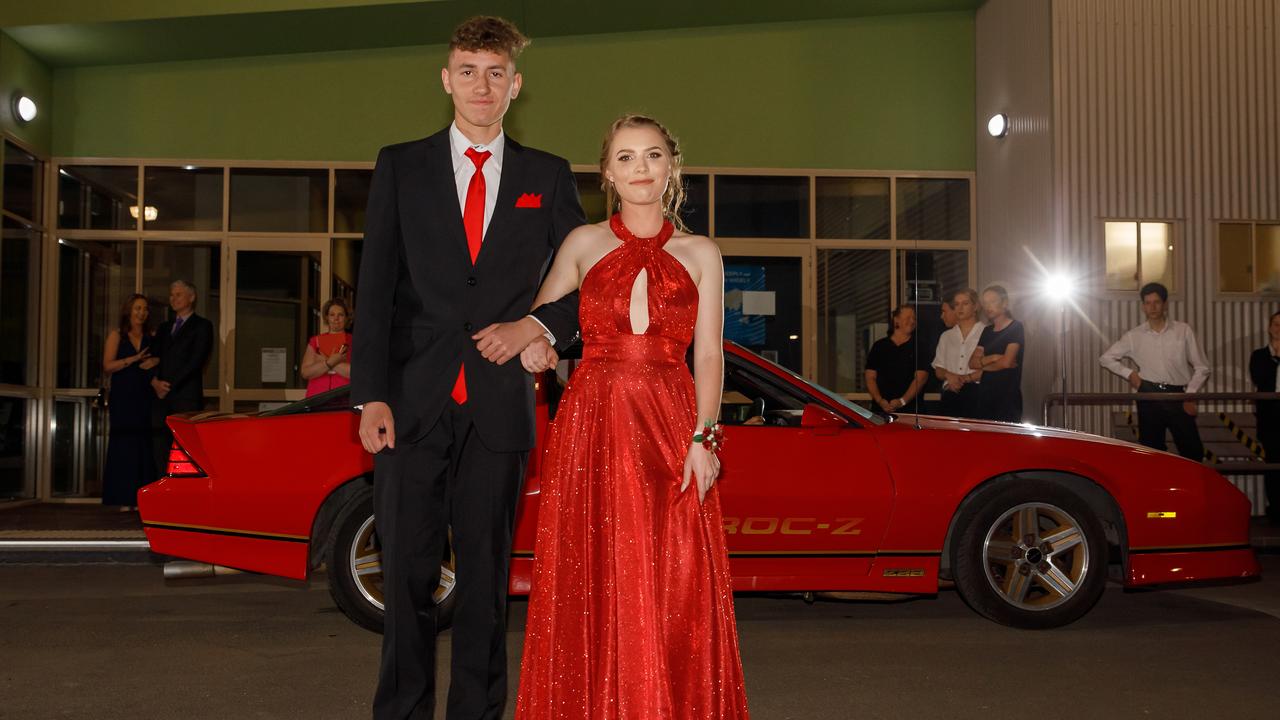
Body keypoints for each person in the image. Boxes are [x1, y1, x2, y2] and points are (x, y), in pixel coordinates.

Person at [351, 16, 587, 720]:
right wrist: (369, 396)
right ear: (445, 79)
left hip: (499, 412)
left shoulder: (547, 176)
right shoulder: (401, 164)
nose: (479, 86)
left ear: (514, 86)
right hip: (410, 406)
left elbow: (586, 286)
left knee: (484, 585)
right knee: (407, 579)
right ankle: (401, 711)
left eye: (494, 74)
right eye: (466, 71)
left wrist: (534, 327)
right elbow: (375, 286)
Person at [513, 115, 749, 719]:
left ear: (672, 166)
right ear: (607, 173)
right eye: (625, 158)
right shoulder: (583, 244)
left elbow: (709, 355)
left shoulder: (702, 253)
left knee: (676, 578)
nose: (640, 169)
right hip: (592, 422)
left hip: (671, 423)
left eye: (651, 156)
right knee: (594, 575)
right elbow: (545, 327)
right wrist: (537, 349)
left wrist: (705, 438)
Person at [1100, 282, 1209, 461]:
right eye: (1148, 303)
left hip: (1178, 396)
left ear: (1165, 304)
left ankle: (1190, 488)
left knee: (1193, 451)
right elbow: (1106, 358)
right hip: (1148, 394)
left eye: (1156, 302)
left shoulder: (1183, 331)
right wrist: (1130, 374)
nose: (1152, 307)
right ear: (1143, 306)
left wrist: (1190, 394)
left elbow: (1203, 367)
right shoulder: (1134, 336)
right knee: (1151, 452)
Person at [101, 294, 160, 509]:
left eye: (144, 309)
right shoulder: (117, 335)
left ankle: (141, 500)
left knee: (142, 446)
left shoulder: (151, 337)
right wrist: (132, 360)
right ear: (128, 311)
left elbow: (159, 361)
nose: (141, 313)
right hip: (123, 398)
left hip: (144, 397)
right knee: (123, 446)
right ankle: (122, 498)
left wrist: (155, 361)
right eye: (137, 308)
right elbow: (108, 366)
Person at [150, 280, 214, 473]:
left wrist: (169, 385)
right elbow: (152, 358)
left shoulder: (202, 326)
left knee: (185, 448)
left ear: (191, 297)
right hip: (161, 397)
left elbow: (196, 361)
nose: (173, 298)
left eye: (178, 294)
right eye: (172, 294)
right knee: (160, 445)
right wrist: (154, 382)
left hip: (185, 395)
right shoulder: (164, 328)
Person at [970, 285, 1025, 422]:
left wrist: (983, 364)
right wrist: (994, 358)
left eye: (992, 301)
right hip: (985, 397)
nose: (988, 306)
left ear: (1005, 303)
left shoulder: (1016, 327)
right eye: (985, 303)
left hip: (1007, 397)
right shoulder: (987, 331)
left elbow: (1007, 362)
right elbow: (972, 363)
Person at [865, 304, 929, 414]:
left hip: (911, 412)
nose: (912, 321)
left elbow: (921, 378)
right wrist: (880, 400)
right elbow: (870, 377)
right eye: (908, 317)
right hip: (880, 411)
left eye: (914, 318)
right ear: (896, 320)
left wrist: (902, 401)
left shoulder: (920, 346)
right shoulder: (879, 346)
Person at [931, 288, 985, 418]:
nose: (960, 308)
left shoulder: (985, 332)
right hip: (950, 393)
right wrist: (949, 375)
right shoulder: (946, 336)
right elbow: (938, 369)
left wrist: (963, 379)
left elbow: (989, 368)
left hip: (977, 393)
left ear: (975, 306)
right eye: (957, 304)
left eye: (965, 303)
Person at [1248, 310, 1280, 525]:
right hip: (1270, 417)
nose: (1279, 328)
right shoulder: (1259, 355)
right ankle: (1276, 509)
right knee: (1273, 463)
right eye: (1276, 324)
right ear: (1269, 328)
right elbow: (1260, 377)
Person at [301, 298, 352, 397]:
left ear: (346, 318)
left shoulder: (354, 341)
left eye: (340, 315)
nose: (336, 319)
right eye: (332, 315)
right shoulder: (315, 341)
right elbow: (306, 372)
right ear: (326, 317)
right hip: (316, 397)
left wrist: (326, 361)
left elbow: (356, 374)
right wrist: (333, 361)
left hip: (344, 397)